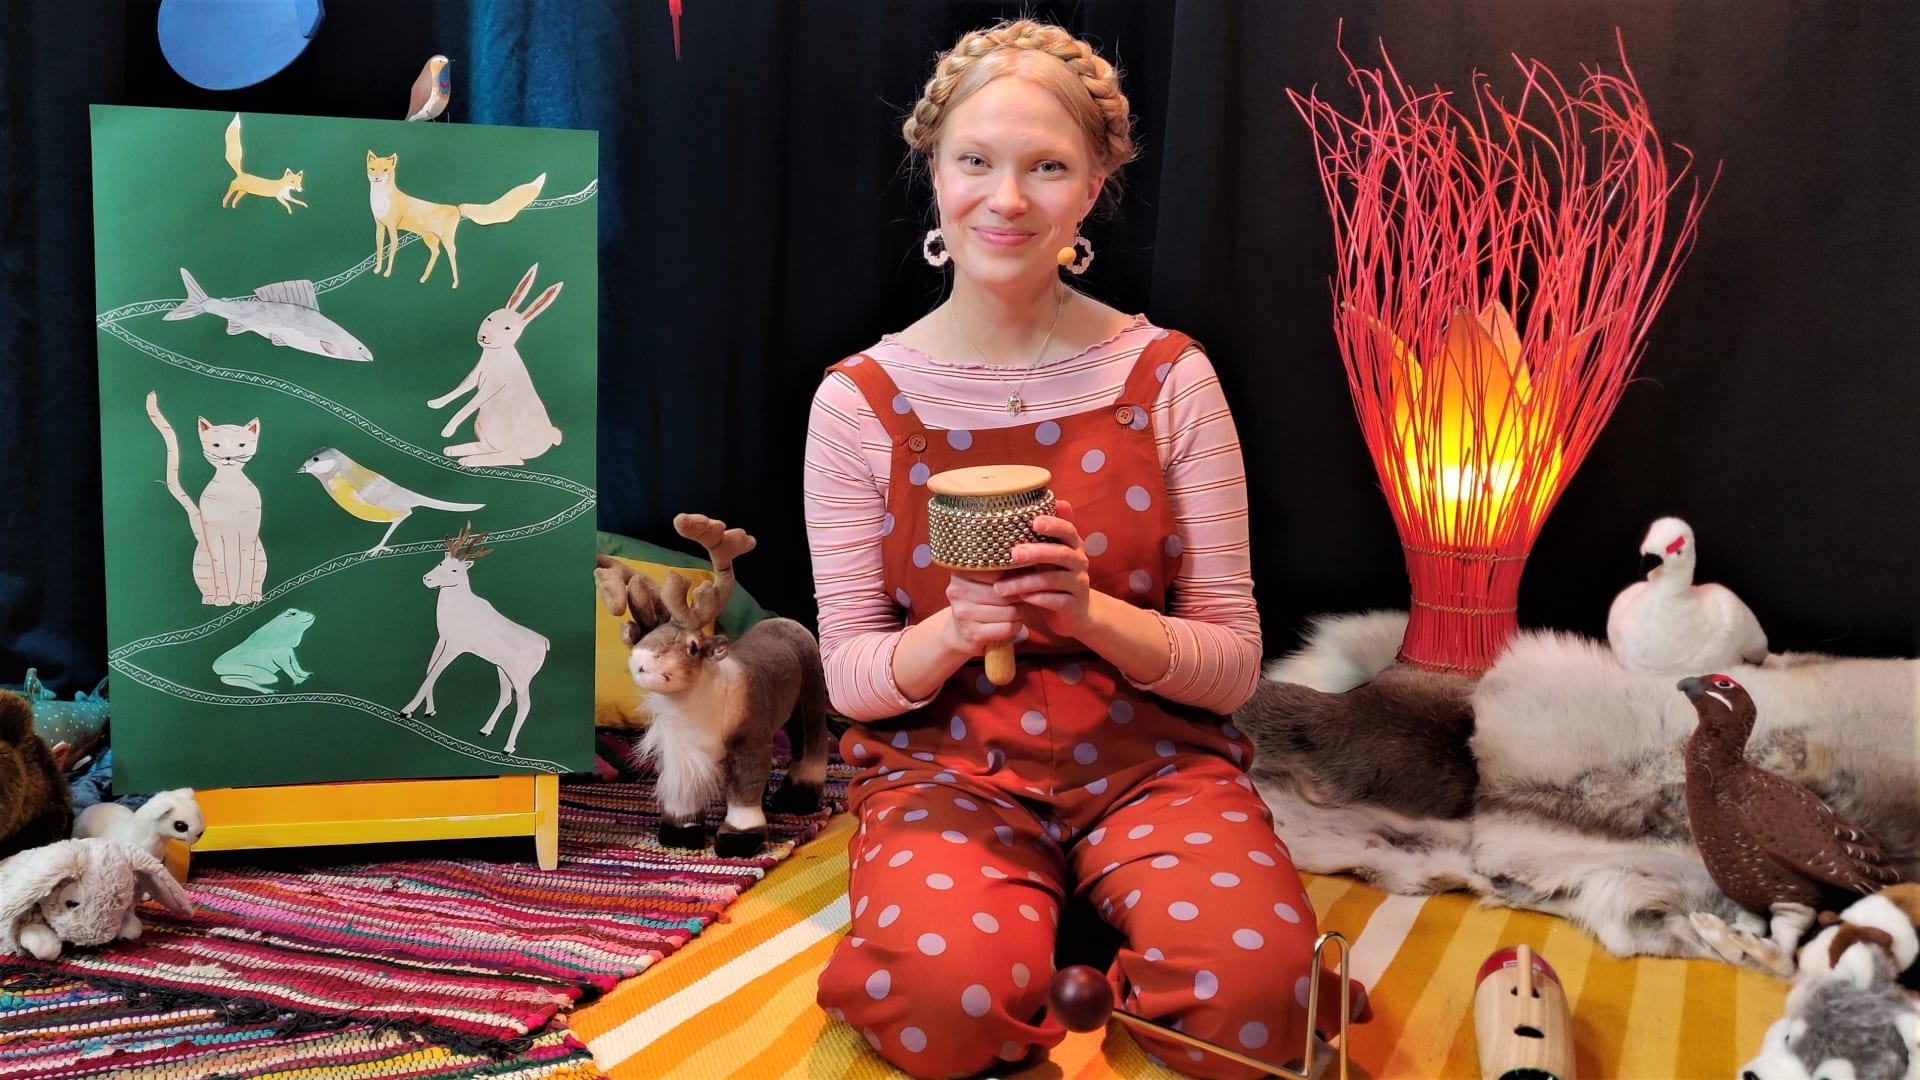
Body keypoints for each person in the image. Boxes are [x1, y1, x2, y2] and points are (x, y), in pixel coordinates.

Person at [803, 18, 1364, 1080]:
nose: (1007, 199)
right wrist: (954, 632)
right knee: (942, 1009)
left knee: (1264, 1003)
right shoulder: (859, 402)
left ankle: (1095, 924)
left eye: (1048, 167)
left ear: (1095, 185)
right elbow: (851, 677)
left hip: (1153, 768)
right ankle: (1022, 932)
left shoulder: (1170, 378)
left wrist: (1090, 614)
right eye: (976, 161)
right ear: (934, 171)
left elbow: (1232, 665)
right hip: (950, 773)